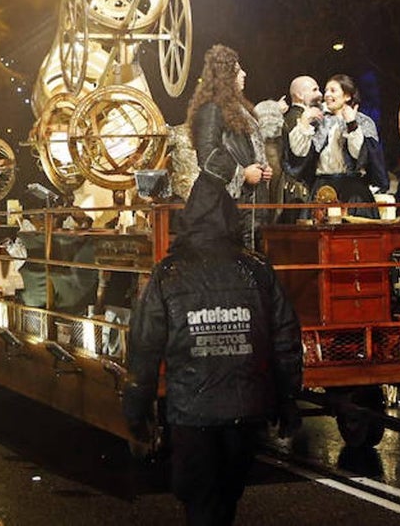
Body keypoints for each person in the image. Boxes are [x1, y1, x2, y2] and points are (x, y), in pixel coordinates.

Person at [122, 175, 303, 525]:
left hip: (192, 413)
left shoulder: (169, 273)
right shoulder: (257, 269)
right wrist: (287, 400)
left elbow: (144, 347)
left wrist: (136, 408)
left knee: (200, 502)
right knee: (227, 498)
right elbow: (285, 340)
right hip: (246, 409)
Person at [187, 44, 274, 249]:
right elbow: (208, 155)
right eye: (237, 70)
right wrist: (242, 174)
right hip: (222, 207)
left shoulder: (239, 109)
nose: (244, 74)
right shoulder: (211, 109)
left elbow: (246, 149)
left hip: (247, 206)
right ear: (226, 77)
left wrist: (261, 168)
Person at [288, 73, 388, 217]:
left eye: (333, 90)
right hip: (323, 188)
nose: (326, 94)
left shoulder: (363, 122)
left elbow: (360, 156)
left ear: (347, 96)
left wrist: (351, 124)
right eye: (326, 90)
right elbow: (299, 152)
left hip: (353, 190)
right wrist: (304, 122)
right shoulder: (318, 121)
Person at [281, 75, 323, 220]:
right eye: (314, 90)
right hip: (298, 191)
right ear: (299, 95)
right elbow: (298, 155)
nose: (320, 94)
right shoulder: (297, 118)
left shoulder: (304, 116)